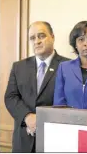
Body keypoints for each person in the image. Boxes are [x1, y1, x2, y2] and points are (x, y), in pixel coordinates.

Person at [4, 21, 69, 152]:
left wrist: (43, 121)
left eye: (41, 36)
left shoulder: (68, 66)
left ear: (52, 36)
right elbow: (10, 97)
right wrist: (27, 117)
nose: (37, 41)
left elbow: (71, 102)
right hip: (22, 139)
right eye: (32, 38)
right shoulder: (19, 67)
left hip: (55, 140)